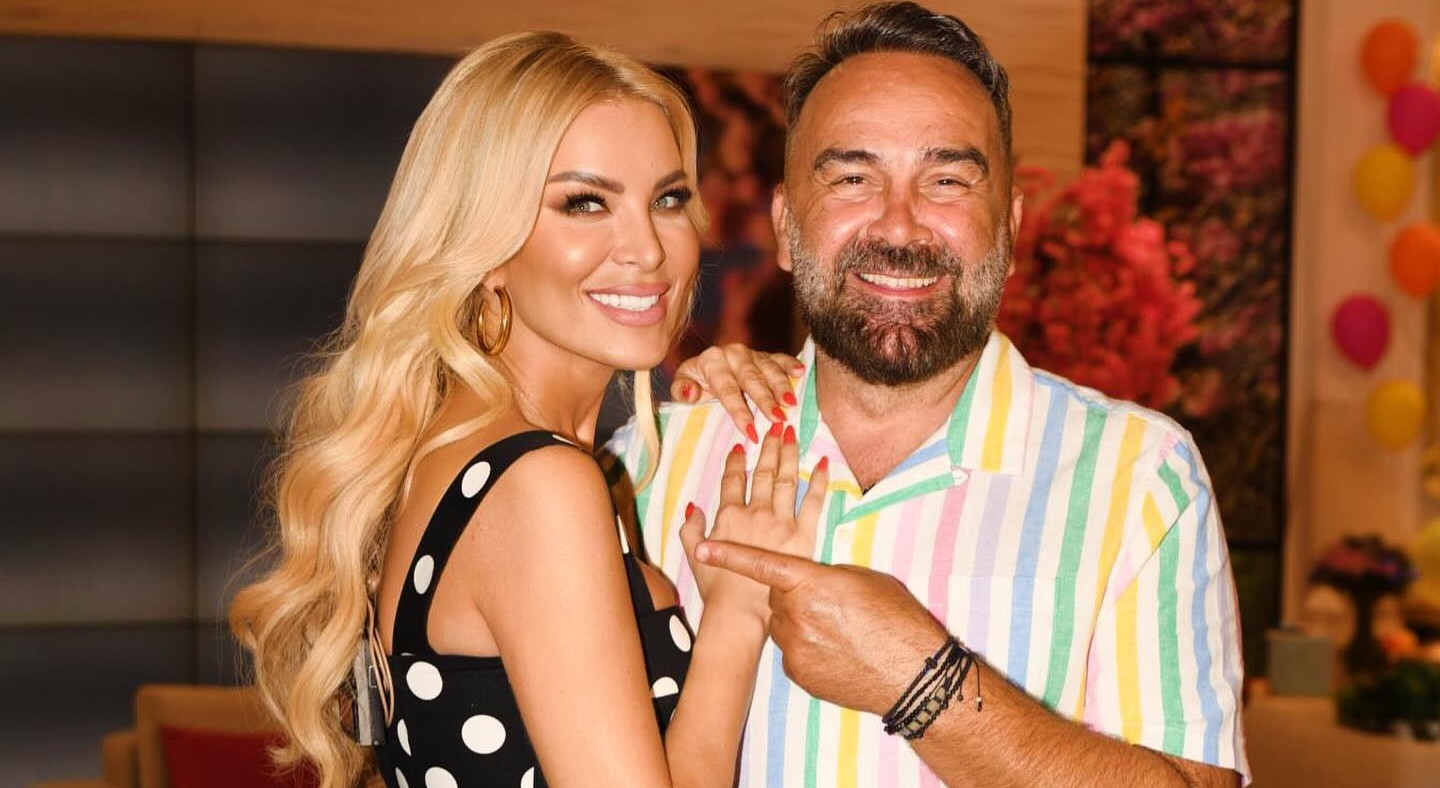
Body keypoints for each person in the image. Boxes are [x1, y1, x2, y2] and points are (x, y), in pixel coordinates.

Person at [605, 3, 1249, 786]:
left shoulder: (1140, 476)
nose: (899, 226)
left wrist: (922, 682)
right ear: (784, 225)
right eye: (852, 177)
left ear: (1009, 228)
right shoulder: (653, 463)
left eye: (946, 180)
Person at [229, 32, 828, 788]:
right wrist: (734, 623)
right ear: (487, 246)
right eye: (585, 203)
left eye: (668, 199)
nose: (647, 248)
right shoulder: (538, 483)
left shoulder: (461, 459)